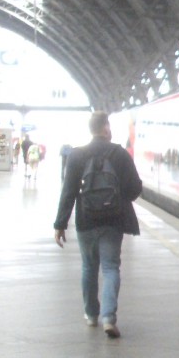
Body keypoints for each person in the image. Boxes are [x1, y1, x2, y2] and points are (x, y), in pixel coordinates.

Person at [54, 111, 143, 339]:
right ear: (105, 128)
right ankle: (108, 319)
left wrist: (60, 224)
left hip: (86, 220)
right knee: (111, 267)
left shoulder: (77, 155)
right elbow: (135, 189)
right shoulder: (120, 154)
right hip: (113, 221)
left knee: (88, 267)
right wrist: (116, 198)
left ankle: (91, 314)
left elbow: (68, 192)